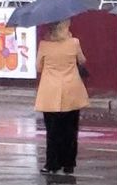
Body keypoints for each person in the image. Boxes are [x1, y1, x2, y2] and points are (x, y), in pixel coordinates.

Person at [35, 19, 89, 175]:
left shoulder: (44, 45)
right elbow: (82, 60)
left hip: (50, 92)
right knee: (70, 130)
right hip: (71, 90)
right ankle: (69, 164)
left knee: (53, 131)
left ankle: (52, 164)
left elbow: (38, 67)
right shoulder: (74, 43)